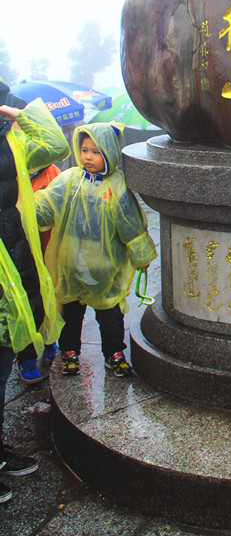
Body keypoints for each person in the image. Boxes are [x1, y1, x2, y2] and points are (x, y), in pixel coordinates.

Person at [34, 122, 157, 377]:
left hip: (105, 268)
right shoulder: (69, 180)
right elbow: (47, 205)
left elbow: (131, 226)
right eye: (84, 150)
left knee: (109, 315)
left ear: (110, 153)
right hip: (71, 265)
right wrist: (24, 202)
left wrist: (141, 256)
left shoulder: (118, 186)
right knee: (71, 314)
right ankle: (69, 352)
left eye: (96, 151)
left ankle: (113, 352)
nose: (88, 157)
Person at [0, 83, 70, 504]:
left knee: (6, 349)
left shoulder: (11, 138)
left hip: (13, 248)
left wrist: (18, 115)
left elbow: (55, 143)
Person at [15, 163, 62, 384]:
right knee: (24, 303)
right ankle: (27, 355)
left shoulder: (52, 172)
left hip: (47, 251)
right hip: (19, 252)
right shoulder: (11, 176)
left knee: (48, 298)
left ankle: (49, 337)